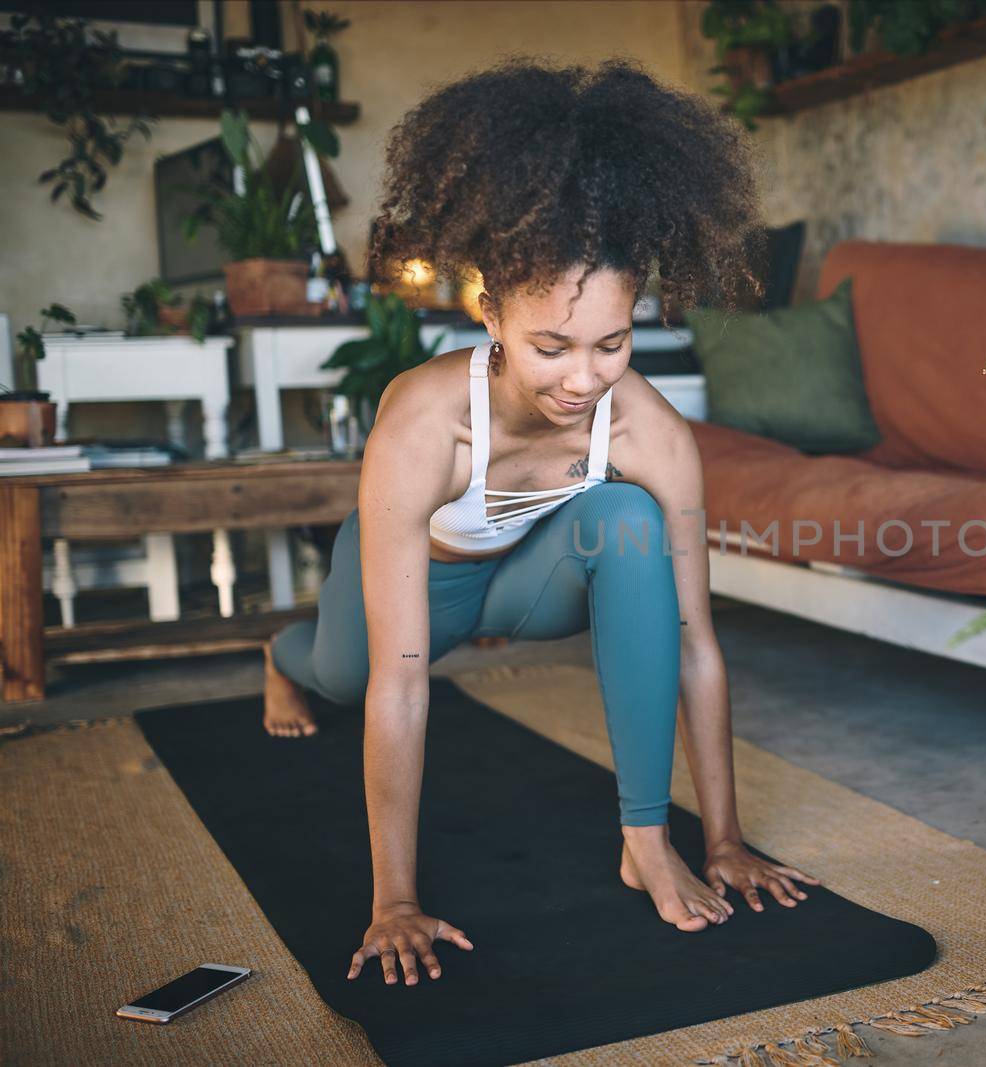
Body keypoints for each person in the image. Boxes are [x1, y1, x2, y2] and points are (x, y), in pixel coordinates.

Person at [260, 56, 821, 989]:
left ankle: (644, 839)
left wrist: (725, 839)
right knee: (344, 673)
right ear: (489, 312)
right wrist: (394, 902)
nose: (581, 378)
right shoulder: (423, 421)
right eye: (550, 347)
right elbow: (403, 691)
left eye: (613, 342)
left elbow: (696, 646)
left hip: (532, 578)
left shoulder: (649, 427)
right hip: (422, 584)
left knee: (628, 518)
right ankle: (278, 656)